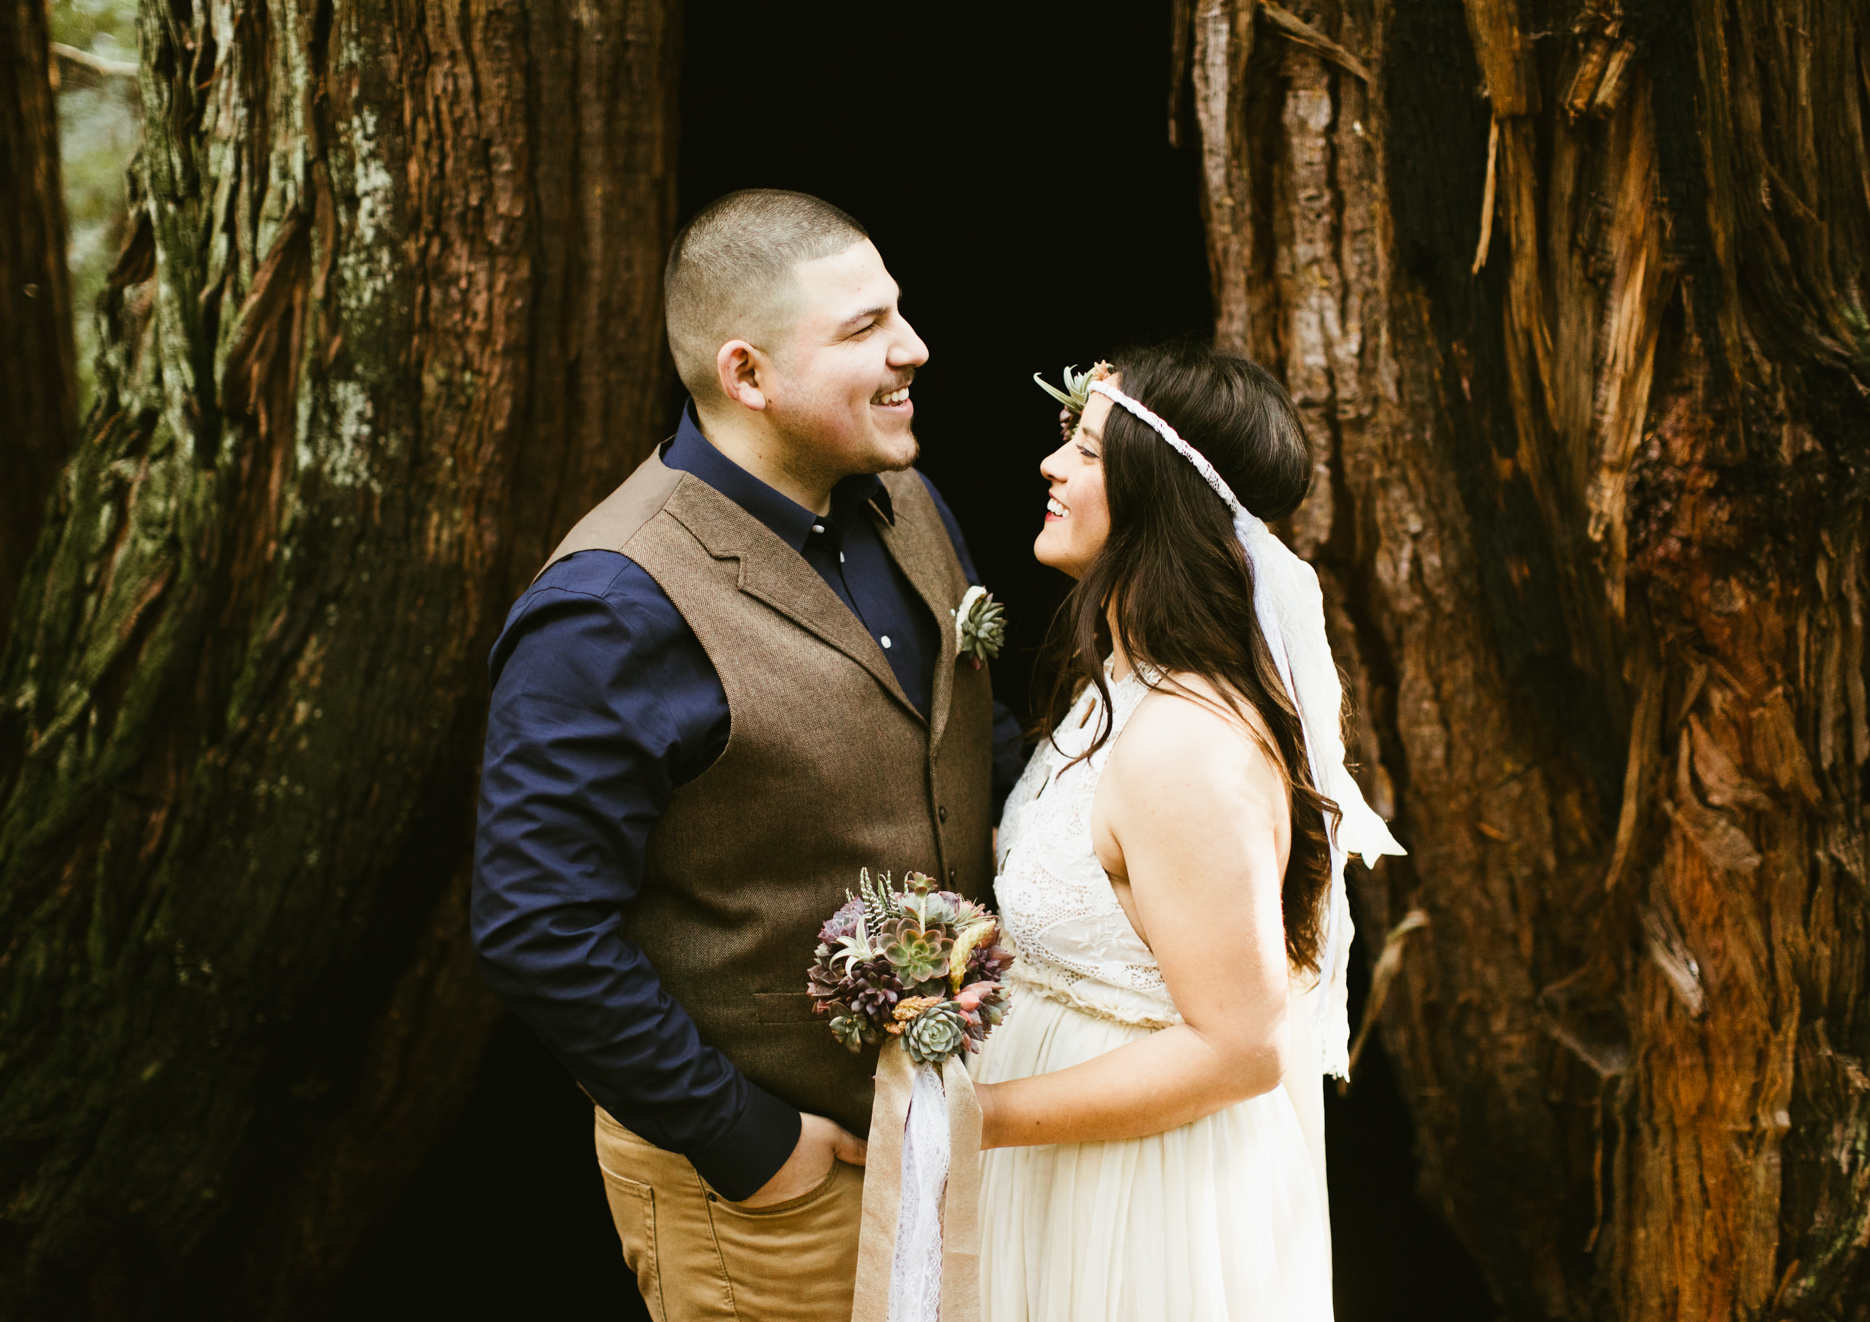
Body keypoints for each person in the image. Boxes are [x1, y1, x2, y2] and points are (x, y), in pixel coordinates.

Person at [472, 189, 1022, 1322]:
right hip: (776, 1202)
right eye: (863, 328)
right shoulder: (612, 604)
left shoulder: (907, 501)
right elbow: (536, 923)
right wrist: (751, 1144)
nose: (912, 348)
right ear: (747, 374)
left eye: (899, 313)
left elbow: (977, 742)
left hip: (958, 1147)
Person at [973, 343, 1402, 1321]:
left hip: (1139, 1202)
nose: (1051, 466)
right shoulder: (1120, 685)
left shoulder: (1183, 746)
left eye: (1083, 448)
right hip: (1059, 1174)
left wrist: (971, 1120)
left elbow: (1239, 1046)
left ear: (1152, 492)